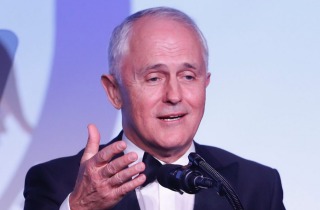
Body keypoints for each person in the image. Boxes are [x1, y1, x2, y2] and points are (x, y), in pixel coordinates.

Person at [23, 7, 285, 210]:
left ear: (206, 83)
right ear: (114, 92)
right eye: (154, 78)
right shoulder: (58, 182)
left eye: (188, 76)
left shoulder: (257, 185)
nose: (173, 95)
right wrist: (81, 206)